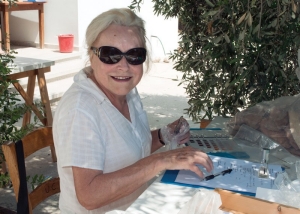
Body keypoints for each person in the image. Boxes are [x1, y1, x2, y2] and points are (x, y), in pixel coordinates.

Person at [53, 8, 213, 213]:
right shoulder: (80, 110)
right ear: (91, 56)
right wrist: (162, 160)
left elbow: (131, 147)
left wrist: (163, 135)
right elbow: (89, 195)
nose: (123, 66)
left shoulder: (126, 91)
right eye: (110, 55)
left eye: (134, 55)